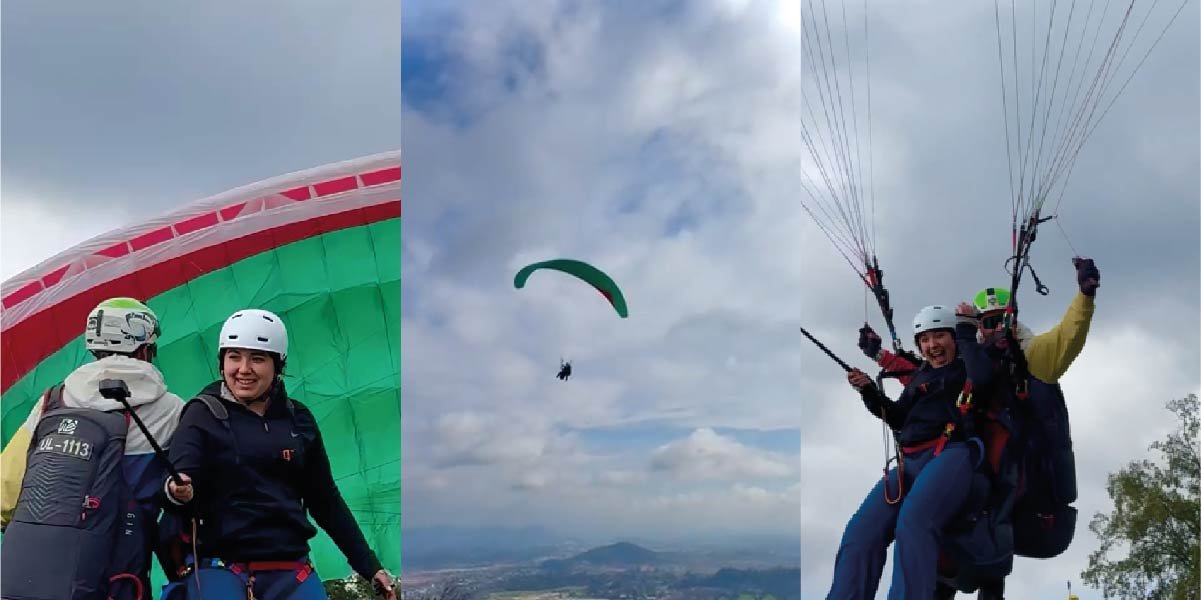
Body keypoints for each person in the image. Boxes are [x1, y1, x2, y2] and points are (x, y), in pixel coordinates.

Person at [162, 308, 396, 600]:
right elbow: (179, 477)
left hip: (290, 568)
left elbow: (325, 500)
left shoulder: (298, 419)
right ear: (221, 362)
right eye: (234, 357)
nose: (243, 369)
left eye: (257, 358)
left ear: (278, 365)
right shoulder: (202, 414)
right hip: (221, 565)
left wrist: (370, 566)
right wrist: (177, 490)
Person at [0, 297, 185, 600]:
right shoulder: (169, 408)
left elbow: (5, 494)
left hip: (30, 576)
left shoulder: (52, 401)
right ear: (144, 348)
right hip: (116, 576)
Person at [827, 303, 1005, 599]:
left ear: (954, 338)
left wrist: (966, 329)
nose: (932, 345)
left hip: (953, 454)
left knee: (914, 522)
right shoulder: (921, 377)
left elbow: (983, 379)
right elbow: (898, 417)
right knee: (861, 532)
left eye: (939, 336)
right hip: (910, 461)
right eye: (925, 339)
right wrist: (869, 392)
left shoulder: (970, 367)